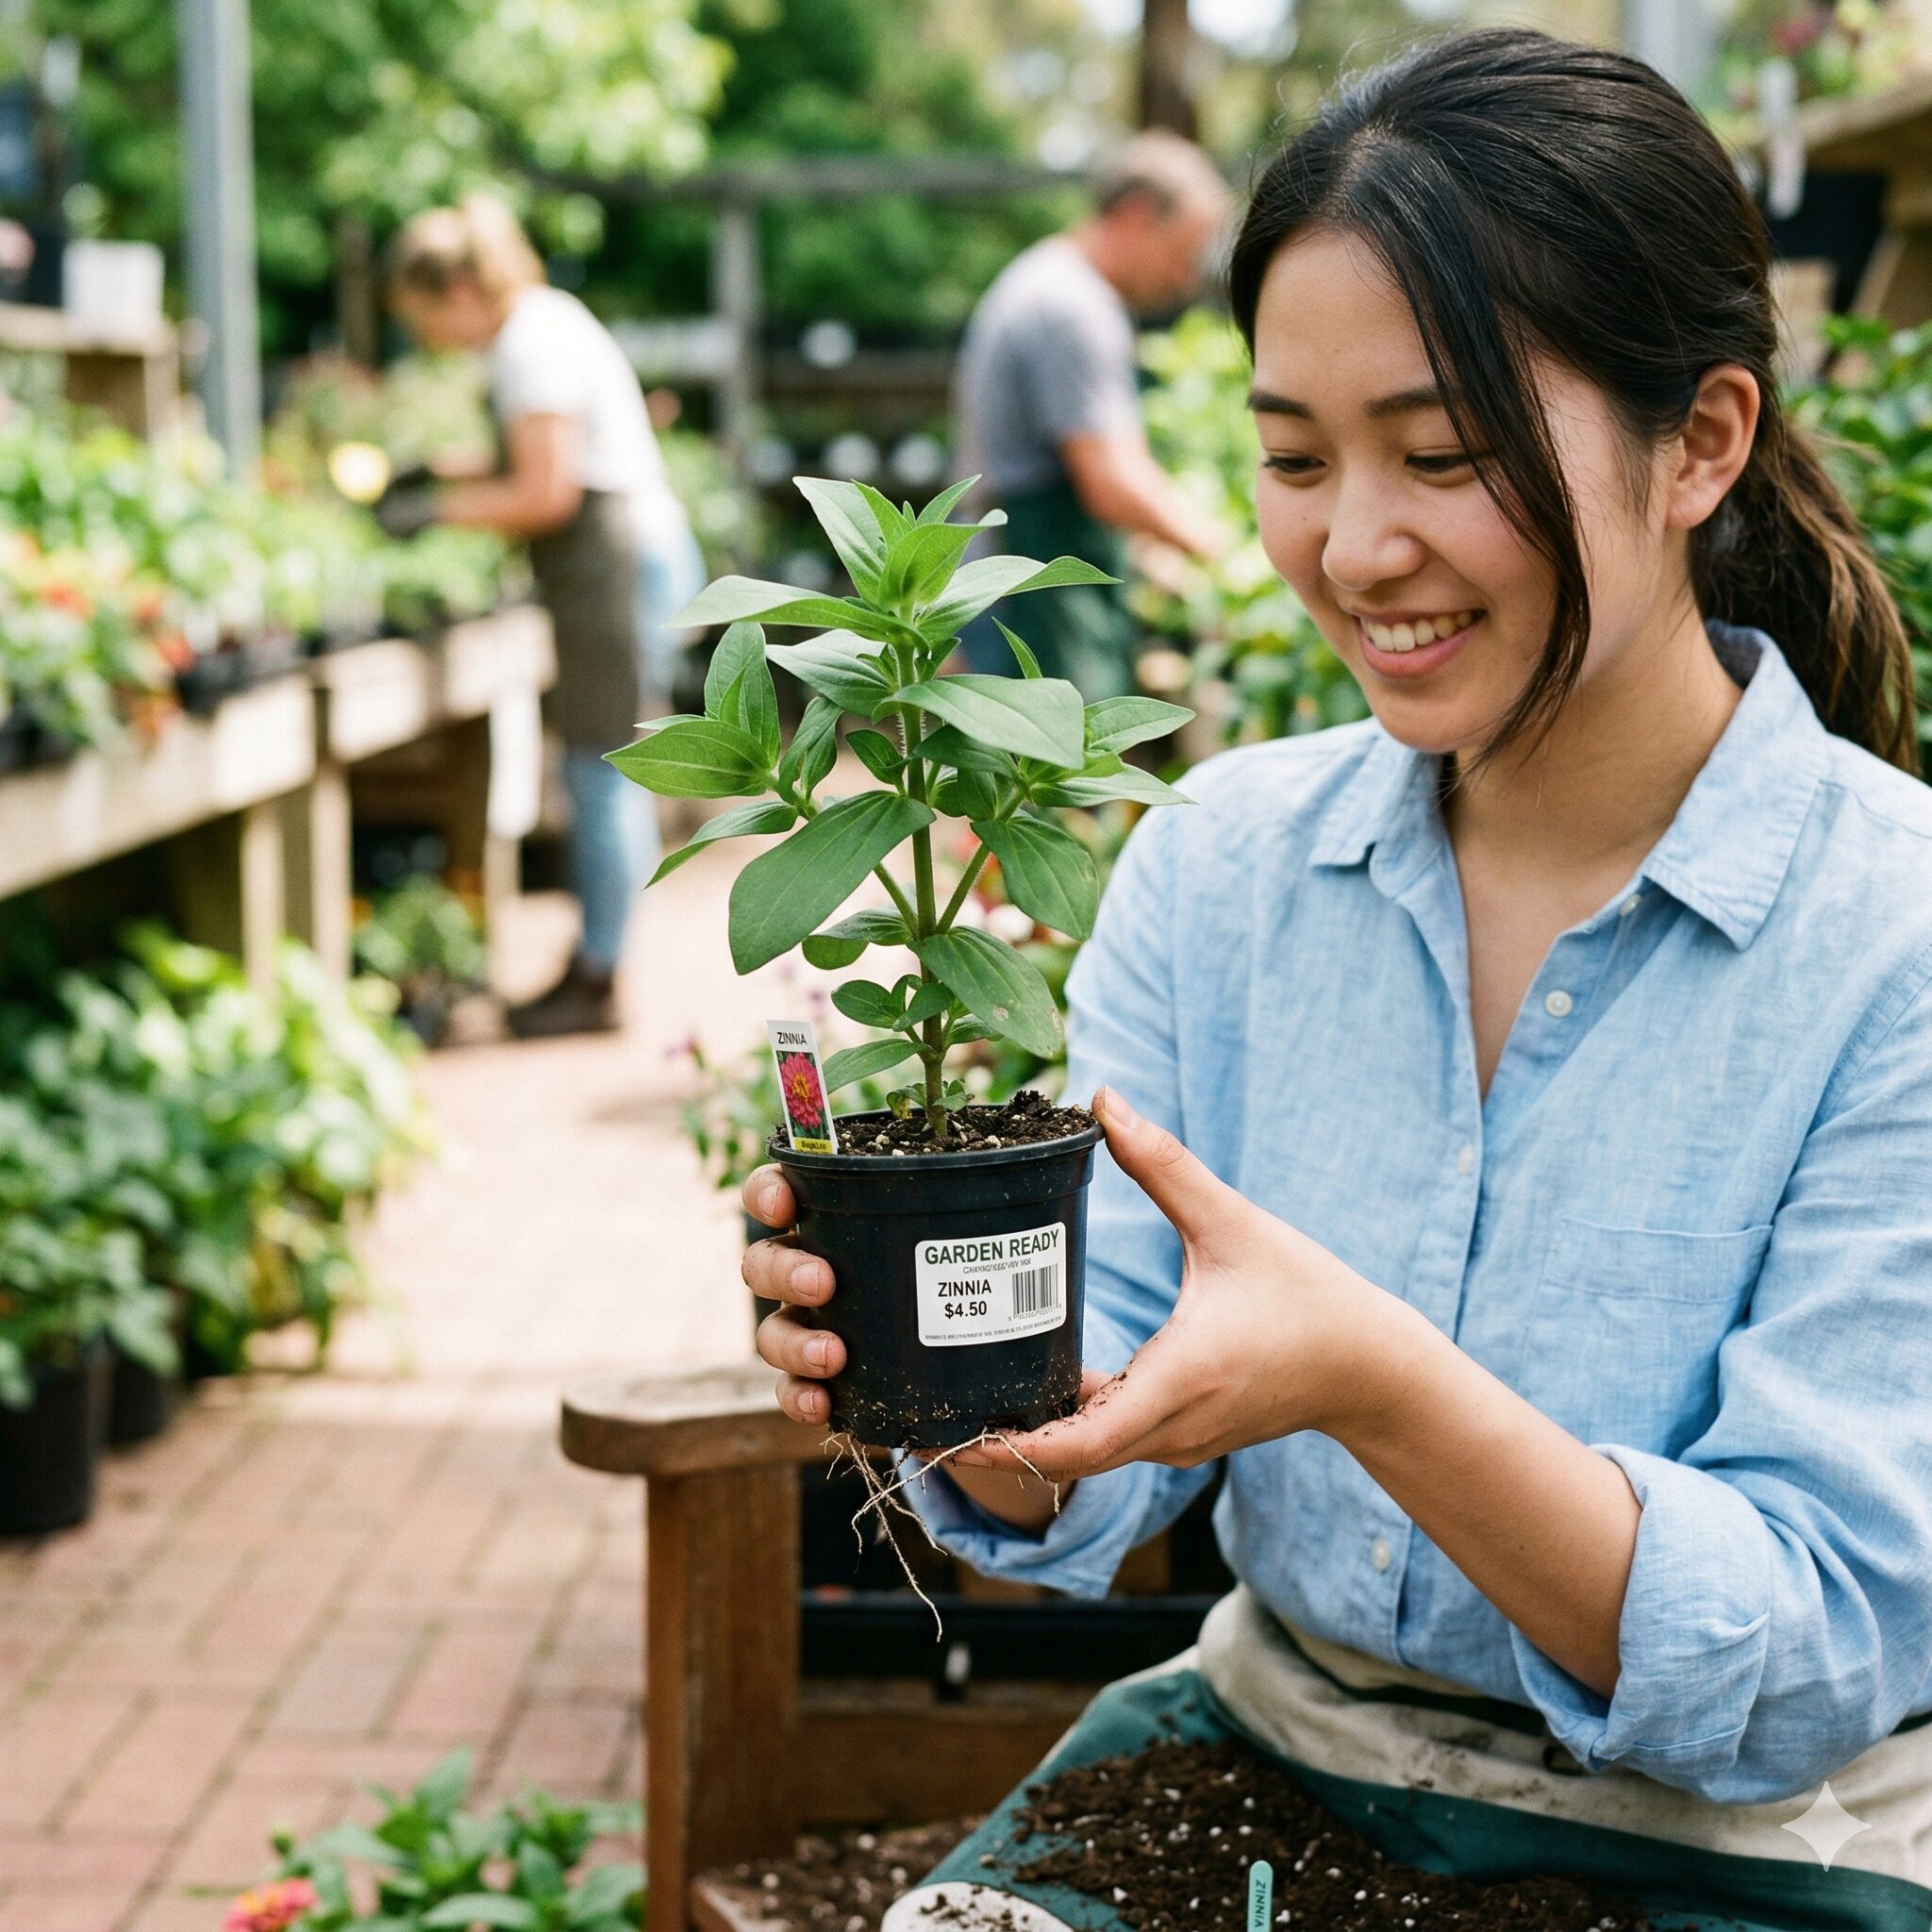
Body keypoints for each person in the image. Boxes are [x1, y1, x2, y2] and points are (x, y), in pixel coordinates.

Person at [745, 31, 1932, 1925]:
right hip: (1272, 1751)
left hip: (1751, 1849)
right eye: (1292, 457)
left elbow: (1806, 1642)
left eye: (1441, 456)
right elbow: (1086, 1440)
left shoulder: (1891, 932)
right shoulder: (1223, 863)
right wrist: (929, 1358)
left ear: (1700, 441)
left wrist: (1371, 1380)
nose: (1354, 546)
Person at [381, 194, 706, 1038]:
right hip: (623, 557)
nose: (432, 338)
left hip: (614, 562)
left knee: (602, 768)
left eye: (426, 318)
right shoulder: (541, 325)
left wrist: (433, 510)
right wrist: (436, 470)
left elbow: (546, 491)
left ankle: (599, 979)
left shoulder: (531, 345)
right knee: (605, 766)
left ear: (458, 289)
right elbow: (532, 457)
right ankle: (601, 959)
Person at [952, 131, 1233, 698]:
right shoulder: (1073, 309)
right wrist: (1224, 552)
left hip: (1008, 584)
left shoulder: (1044, 277)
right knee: (1052, 748)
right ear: (1136, 216)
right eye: (1182, 252)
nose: (1184, 278)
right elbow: (1111, 480)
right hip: (1028, 598)